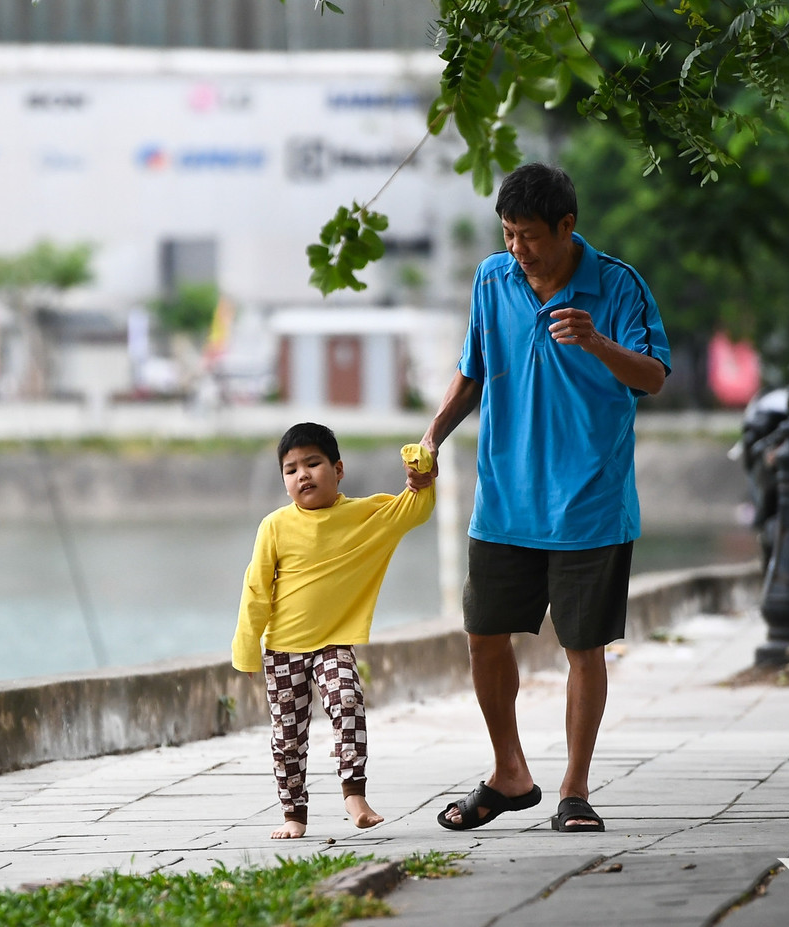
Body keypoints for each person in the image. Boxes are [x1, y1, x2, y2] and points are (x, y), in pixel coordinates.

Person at [408, 162, 671, 834]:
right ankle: (510, 772)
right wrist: (433, 436)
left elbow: (655, 376)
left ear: (567, 226)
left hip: (589, 502)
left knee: (583, 647)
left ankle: (574, 789)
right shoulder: (492, 280)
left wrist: (596, 340)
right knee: (483, 635)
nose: (516, 247)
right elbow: (472, 374)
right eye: (507, 233)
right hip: (504, 499)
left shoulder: (618, 285)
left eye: (527, 235)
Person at [232, 422, 435, 839]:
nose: (302, 474)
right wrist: (247, 650)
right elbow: (255, 590)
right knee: (288, 737)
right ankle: (293, 815)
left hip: (333, 643)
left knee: (348, 702)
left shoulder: (364, 516)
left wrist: (422, 470)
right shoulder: (274, 526)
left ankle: (353, 793)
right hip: (282, 650)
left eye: (313, 463)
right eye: (291, 470)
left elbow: (414, 509)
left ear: (338, 469)